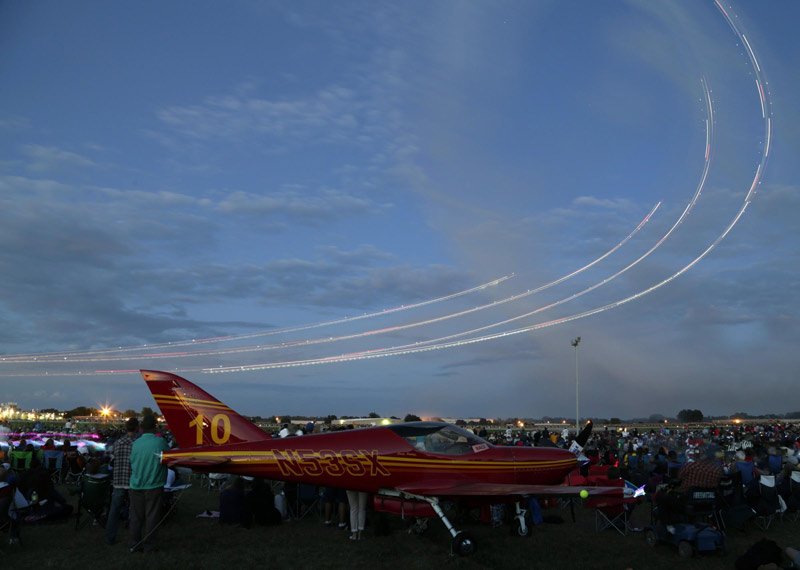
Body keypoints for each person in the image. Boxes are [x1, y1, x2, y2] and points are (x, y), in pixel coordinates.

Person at [128, 414, 169, 553]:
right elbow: (168, 459)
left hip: (136, 484)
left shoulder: (136, 443)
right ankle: (149, 546)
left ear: (141, 429)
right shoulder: (160, 442)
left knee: (136, 517)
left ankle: (135, 544)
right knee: (152, 517)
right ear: (155, 427)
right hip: (154, 484)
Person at [106, 417, 138, 545]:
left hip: (119, 479)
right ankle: (134, 538)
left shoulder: (118, 443)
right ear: (136, 427)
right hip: (133, 480)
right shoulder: (138, 443)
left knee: (114, 510)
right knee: (135, 510)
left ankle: (110, 537)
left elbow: (109, 459)